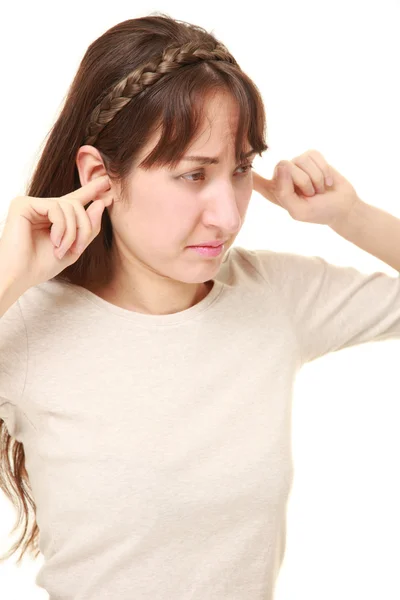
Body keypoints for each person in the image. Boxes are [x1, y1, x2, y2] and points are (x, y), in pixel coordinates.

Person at [1, 13, 400, 600]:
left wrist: (349, 216)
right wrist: (8, 278)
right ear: (100, 175)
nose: (229, 215)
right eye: (193, 174)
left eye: (239, 169)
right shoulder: (26, 325)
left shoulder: (274, 296)